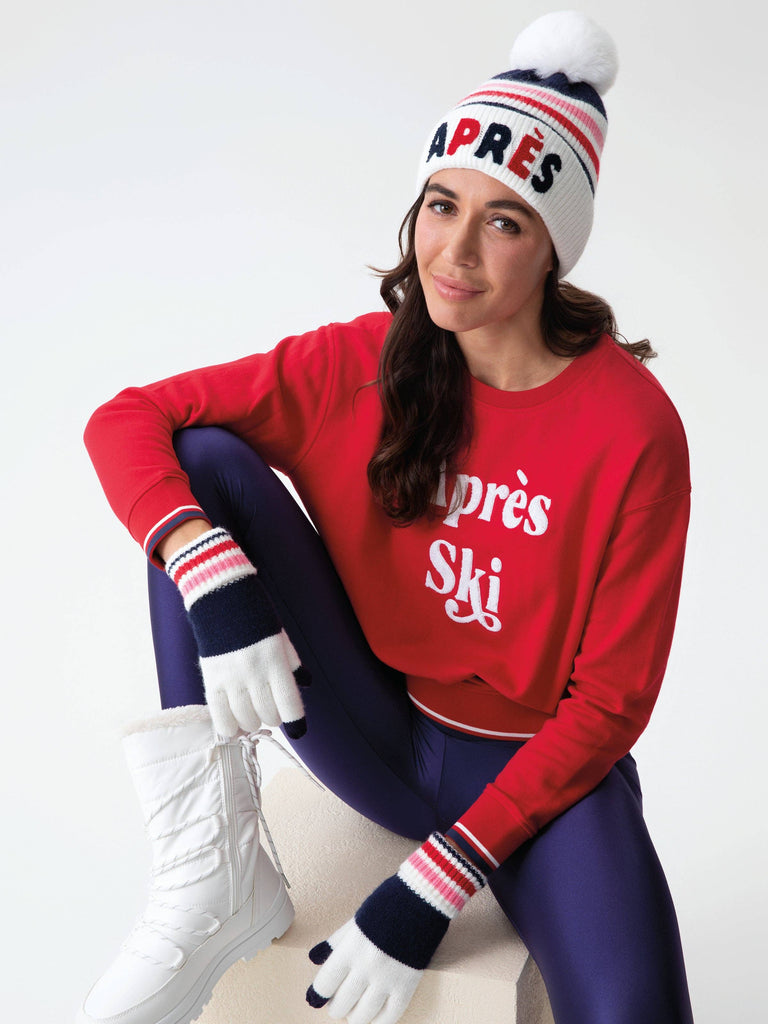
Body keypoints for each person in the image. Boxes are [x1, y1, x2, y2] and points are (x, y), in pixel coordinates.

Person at [77, 11, 694, 1024]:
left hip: (544, 776)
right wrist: (206, 572)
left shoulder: (631, 428)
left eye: (506, 222)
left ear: (556, 248)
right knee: (205, 463)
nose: (456, 250)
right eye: (442, 204)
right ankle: (211, 880)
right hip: (375, 732)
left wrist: (437, 880)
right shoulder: (359, 364)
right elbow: (128, 419)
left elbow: (612, 702)